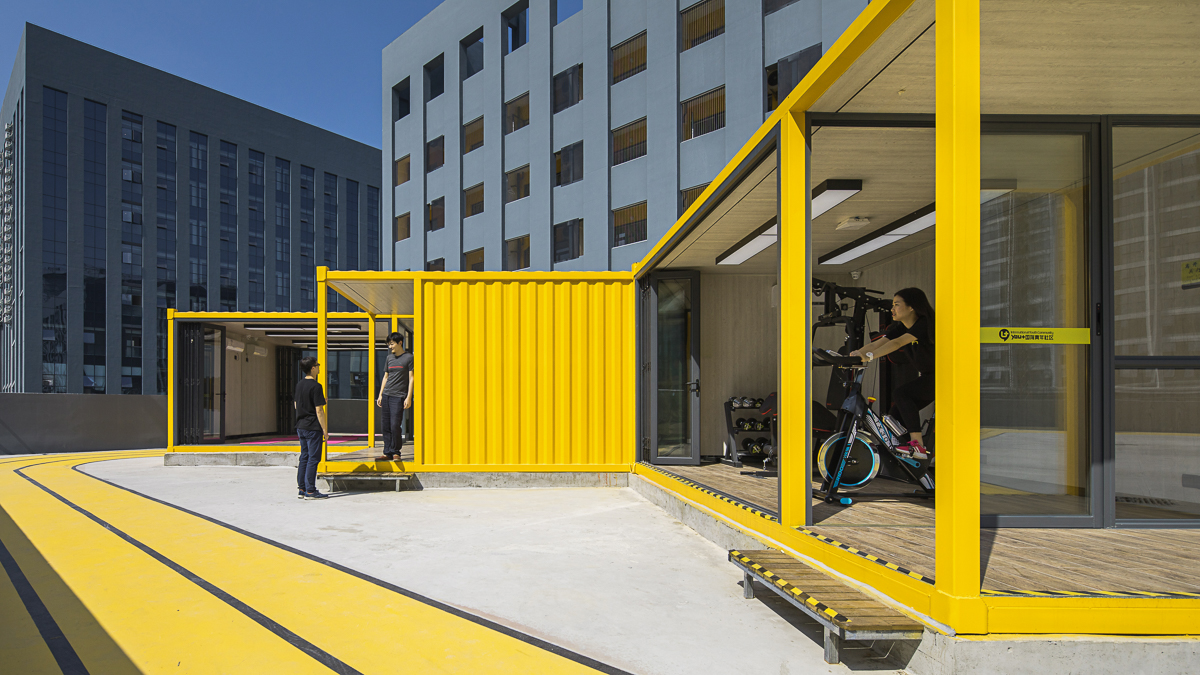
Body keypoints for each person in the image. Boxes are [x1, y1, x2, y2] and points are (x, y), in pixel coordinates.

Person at [850, 287, 934, 458]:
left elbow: (897, 344)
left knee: (901, 394)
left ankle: (918, 446)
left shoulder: (923, 324)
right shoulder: (900, 327)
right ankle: (910, 455)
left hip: (944, 375)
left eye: (897, 305)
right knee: (894, 417)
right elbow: (877, 344)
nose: (892, 309)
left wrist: (869, 357)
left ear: (911, 307)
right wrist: (856, 355)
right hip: (928, 376)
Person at [294, 356, 330, 499]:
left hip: (301, 425)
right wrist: (325, 430)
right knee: (313, 459)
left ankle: (302, 489)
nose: (320, 367)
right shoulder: (316, 386)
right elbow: (319, 411)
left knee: (304, 457)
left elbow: (297, 405)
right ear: (313, 368)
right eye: (318, 365)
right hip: (312, 427)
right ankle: (311, 490)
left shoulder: (299, 384)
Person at [376, 332, 414, 462]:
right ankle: (387, 452)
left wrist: (409, 397)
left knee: (394, 425)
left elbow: (412, 378)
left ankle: (396, 452)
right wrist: (380, 394)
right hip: (386, 395)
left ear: (400, 343)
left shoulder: (409, 358)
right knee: (385, 426)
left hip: (399, 396)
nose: (390, 347)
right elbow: (385, 377)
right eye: (389, 344)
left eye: (392, 344)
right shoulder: (389, 358)